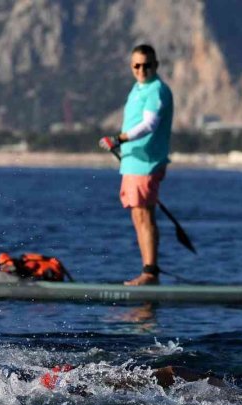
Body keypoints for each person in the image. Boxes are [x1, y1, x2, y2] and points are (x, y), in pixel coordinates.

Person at [0, 337, 221, 394]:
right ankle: (231, 392)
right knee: (169, 374)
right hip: (58, 384)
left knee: (167, 377)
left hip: (57, 394)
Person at [99, 44, 174, 286]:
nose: (142, 70)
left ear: (156, 65)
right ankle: (147, 270)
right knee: (137, 216)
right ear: (132, 67)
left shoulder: (156, 90)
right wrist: (118, 143)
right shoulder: (137, 89)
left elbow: (149, 125)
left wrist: (119, 138)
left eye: (147, 65)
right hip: (133, 162)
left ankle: (150, 273)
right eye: (137, 65)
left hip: (147, 162)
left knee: (144, 214)